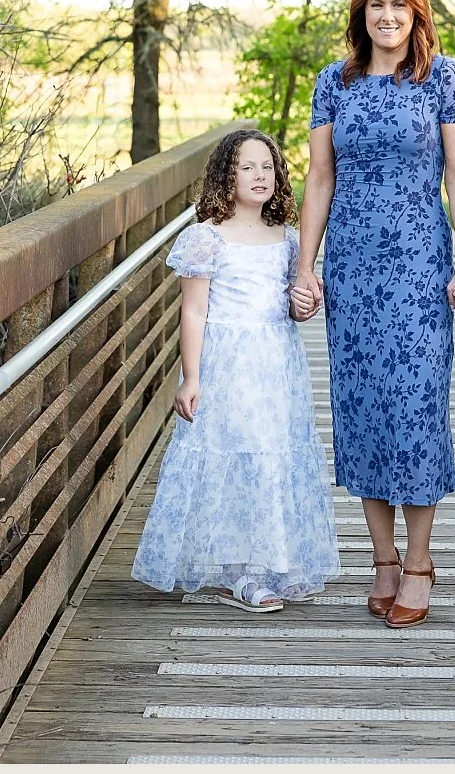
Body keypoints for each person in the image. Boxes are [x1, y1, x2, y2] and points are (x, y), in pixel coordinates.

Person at [294, 0, 455, 629]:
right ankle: (383, 559)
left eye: (400, 6)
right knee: (363, 405)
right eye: (376, 5)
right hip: (351, 267)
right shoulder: (332, 83)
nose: (388, 17)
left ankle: (422, 561)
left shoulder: (443, 79)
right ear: (361, 14)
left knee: (416, 407)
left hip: (420, 267)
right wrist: (305, 267)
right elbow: (319, 179)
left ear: (417, 13)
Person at [132, 128, 339, 610]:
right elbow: (194, 312)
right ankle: (237, 571)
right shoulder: (206, 239)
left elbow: (292, 305)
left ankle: (268, 562)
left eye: (267, 166)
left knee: (271, 456)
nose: (259, 175)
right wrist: (192, 376)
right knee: (236, 456)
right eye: (247, 166)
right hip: (228, 365)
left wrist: (304, 304)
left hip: (276, 364)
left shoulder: (288, 239)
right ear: (226, 174)